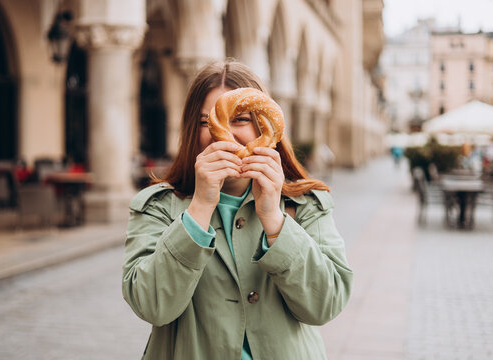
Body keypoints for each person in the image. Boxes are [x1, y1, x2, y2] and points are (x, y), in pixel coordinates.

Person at [122, 59, 353, 359]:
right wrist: (200, 207)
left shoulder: (305, 203)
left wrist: (274, 218)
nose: (224, 134)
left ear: (263, 126)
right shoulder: (158, 206)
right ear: (193, 130)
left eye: (240, 119)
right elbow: (151, 304)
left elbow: (326, 304)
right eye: (207, 122)